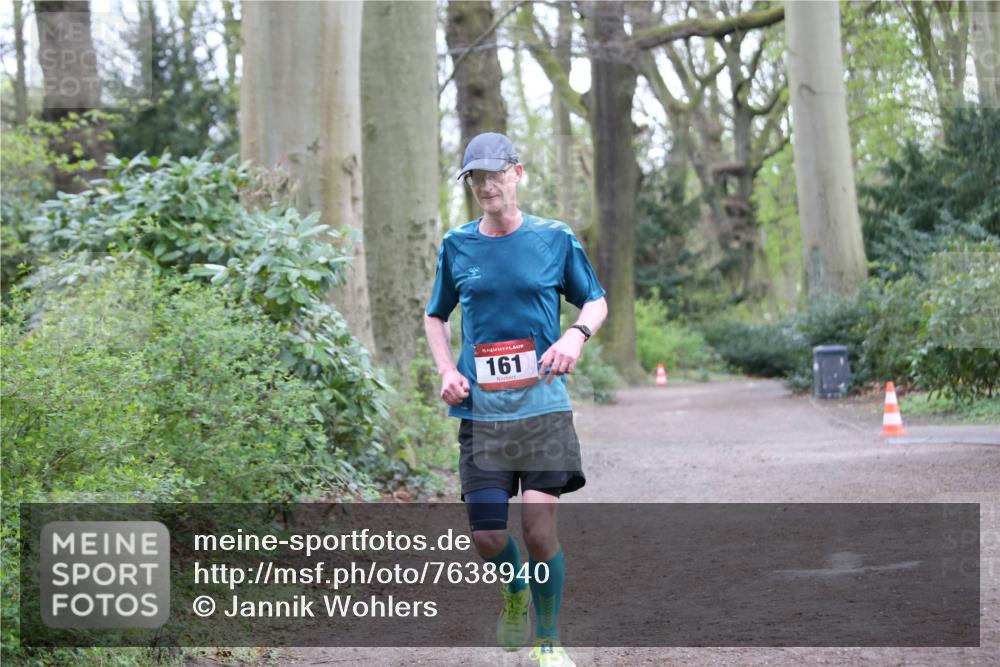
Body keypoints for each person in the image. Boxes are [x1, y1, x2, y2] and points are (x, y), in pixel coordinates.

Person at [424, 132, 607, 667]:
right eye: (476, 178)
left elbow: (594, 299)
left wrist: (575, 336)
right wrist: (444, 369)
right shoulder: (458, 245)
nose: (487, 186)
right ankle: (514, 588)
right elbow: (436, 314)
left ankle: (547, 642)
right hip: (482, 414)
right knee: (486, 536)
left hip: (543, 410)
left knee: (538, 529)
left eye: (495, 174)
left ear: (517, 174)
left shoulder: (554, 239)